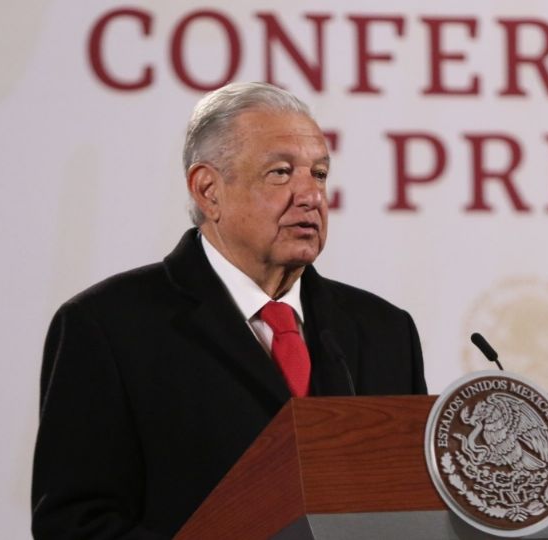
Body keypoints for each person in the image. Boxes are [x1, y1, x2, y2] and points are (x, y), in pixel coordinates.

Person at [31, 82, 427, 539]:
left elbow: (410, 507)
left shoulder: (384, 331)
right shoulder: (107, 327)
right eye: (281, 173)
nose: (311, 196)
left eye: (318, 174)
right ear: (208, 190)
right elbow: (75, 525)